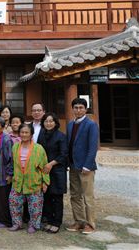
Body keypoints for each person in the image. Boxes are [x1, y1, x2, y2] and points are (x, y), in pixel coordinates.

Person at [8, 124, 49, 234]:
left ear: (31, 134)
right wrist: (10, 176)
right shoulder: (15, 146)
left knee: (35, 205)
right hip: (18, 181)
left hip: (34, 181)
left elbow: (44, 166)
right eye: (22, 132)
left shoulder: (38, 148)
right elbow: (12, 163)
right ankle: (17, 223)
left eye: (26, 132)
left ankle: (34, 225)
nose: (24, 134)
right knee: (13, 202)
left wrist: (45, 182)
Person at [66, 98, 98, 235]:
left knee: (88, 196)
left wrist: (88, 164)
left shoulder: (91, 124)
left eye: (81, 107)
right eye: (76, 107)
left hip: (86, 166)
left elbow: (93, 147)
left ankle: (90, 224)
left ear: (85, 109)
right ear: (72, 109)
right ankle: (79, 221)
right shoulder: (70, 125)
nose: (78, 110)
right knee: (75, 195)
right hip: (73, 165)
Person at [37, 112, 67, 234]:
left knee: (57, 197)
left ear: (55, 123)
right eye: (46, 121)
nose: (48, 123)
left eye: (51, 121)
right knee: (47, 196)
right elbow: (38, 150)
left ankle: (56, 222)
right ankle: (49, 221)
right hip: (44, 170)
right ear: (43, 123)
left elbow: (63, 154)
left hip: (57, 170)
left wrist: (51, 164)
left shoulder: (61, 136)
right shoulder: (42, 135)